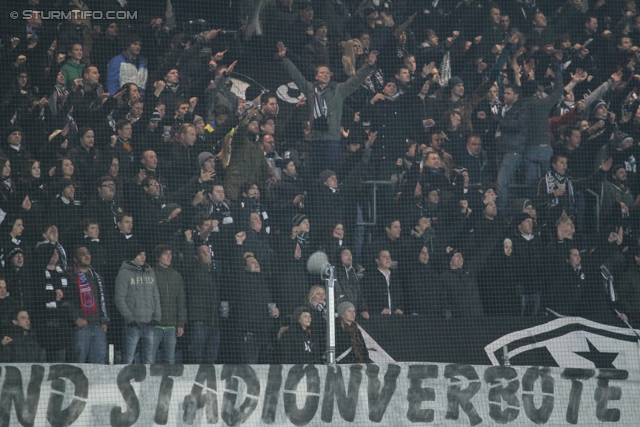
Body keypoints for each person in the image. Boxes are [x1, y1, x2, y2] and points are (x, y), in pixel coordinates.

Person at [277, 40, 379, 171]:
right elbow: (297, 76)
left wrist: (368, 65)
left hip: (332, 139)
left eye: (327, 73)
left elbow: (355, 80)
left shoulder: (339, 89)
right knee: (317, 172)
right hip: (315, 139)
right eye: (322, 73)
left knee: (332, 172)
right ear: (316, 76)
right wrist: (284, 58)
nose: (325, 75)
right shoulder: (310, 89)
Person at [114, 250, 161, 364]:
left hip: (150, 323)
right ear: (133, 255)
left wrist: (157, 317)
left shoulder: (150, 272)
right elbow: (119, 298)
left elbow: (156, 295)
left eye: (145, 254)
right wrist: (129, 318)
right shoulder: (124, 273)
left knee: (149, 360)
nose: (143, 257)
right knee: (128, 359)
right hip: (133, 324)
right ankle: (125, 381)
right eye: (140, 254)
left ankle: (147, 382)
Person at [152, 244, 186, 364]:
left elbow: (181, 301)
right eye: (166, 254)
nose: (169, 256)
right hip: (154, 325)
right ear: (158, 256)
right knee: (150, 358)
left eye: (170, 254)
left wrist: (180, 323)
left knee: (170, 360)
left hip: (171, 326)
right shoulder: (151, 274)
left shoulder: (177, 276)